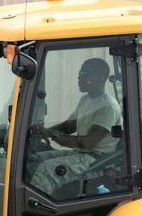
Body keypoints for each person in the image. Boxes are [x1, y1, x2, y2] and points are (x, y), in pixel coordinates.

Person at [29, 58, 122, 195]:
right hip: (81, 154)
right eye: (79, 74)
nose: (79, 78)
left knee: (45, 169)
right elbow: (68, 126)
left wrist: (53, 135)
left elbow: (87, 143)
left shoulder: (107, 107)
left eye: (85, 74)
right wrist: (43, 131)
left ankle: (35, 208)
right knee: (34, 159)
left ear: (101, 78)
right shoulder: (85, 100)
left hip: (95, 160)